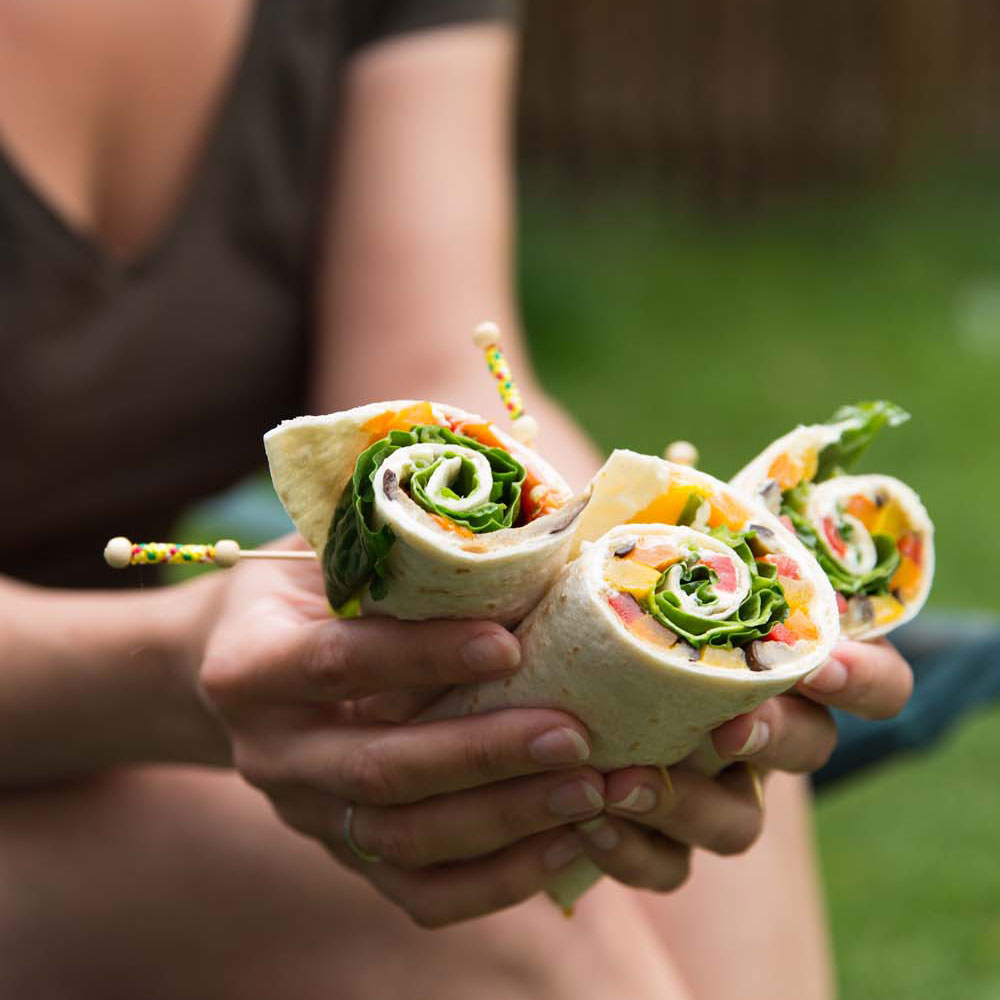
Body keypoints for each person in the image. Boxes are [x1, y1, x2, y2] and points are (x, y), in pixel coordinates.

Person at [0, 2, 913, 997]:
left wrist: (616, 613)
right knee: (476, 950)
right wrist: (170, 672)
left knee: (691, 767)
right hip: (74, 704)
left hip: (95, 733)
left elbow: (438, 363)